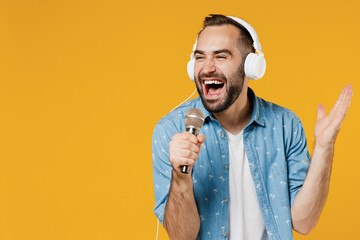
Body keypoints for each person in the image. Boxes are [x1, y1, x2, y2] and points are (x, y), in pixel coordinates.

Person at [152, 14, 352, 240]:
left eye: (220, 56)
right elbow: (181, 236)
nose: (207, 68)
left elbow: (304, 222)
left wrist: (325, 148)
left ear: (251, 66)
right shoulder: (171, 130)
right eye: (200, 57)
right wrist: (180, 176)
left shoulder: (285, 125)